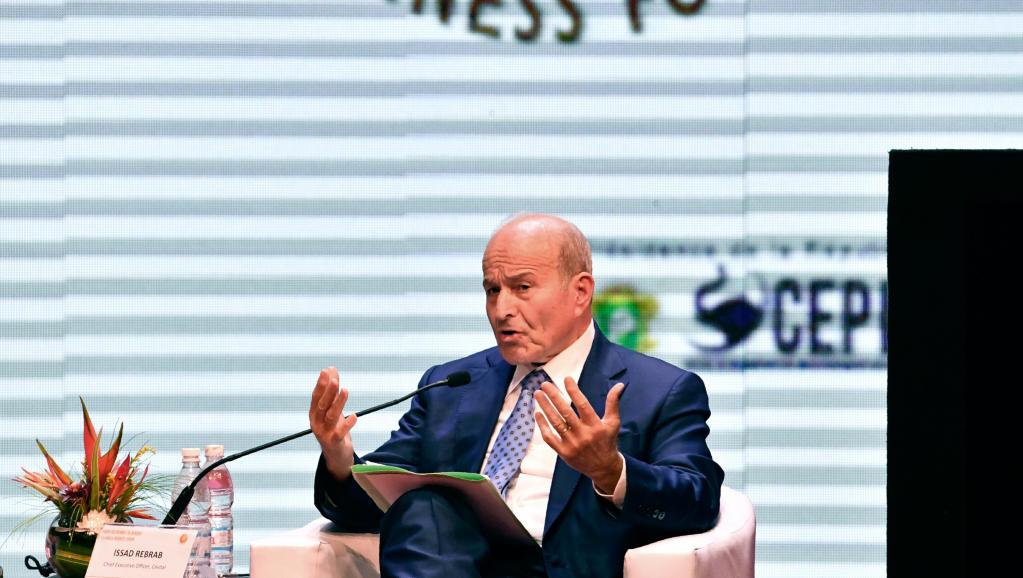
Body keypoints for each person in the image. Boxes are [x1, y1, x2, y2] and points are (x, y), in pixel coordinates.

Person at [309, 214, 723, 578]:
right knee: (423, 507)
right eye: (492, 290)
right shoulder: (451, 385)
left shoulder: (659, 390)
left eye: (522, 287)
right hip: (455, 567)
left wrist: (611, 471)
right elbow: (375, 501)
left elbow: (698, 499)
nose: (501, 309)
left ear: (581, 292)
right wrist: (340, 460)